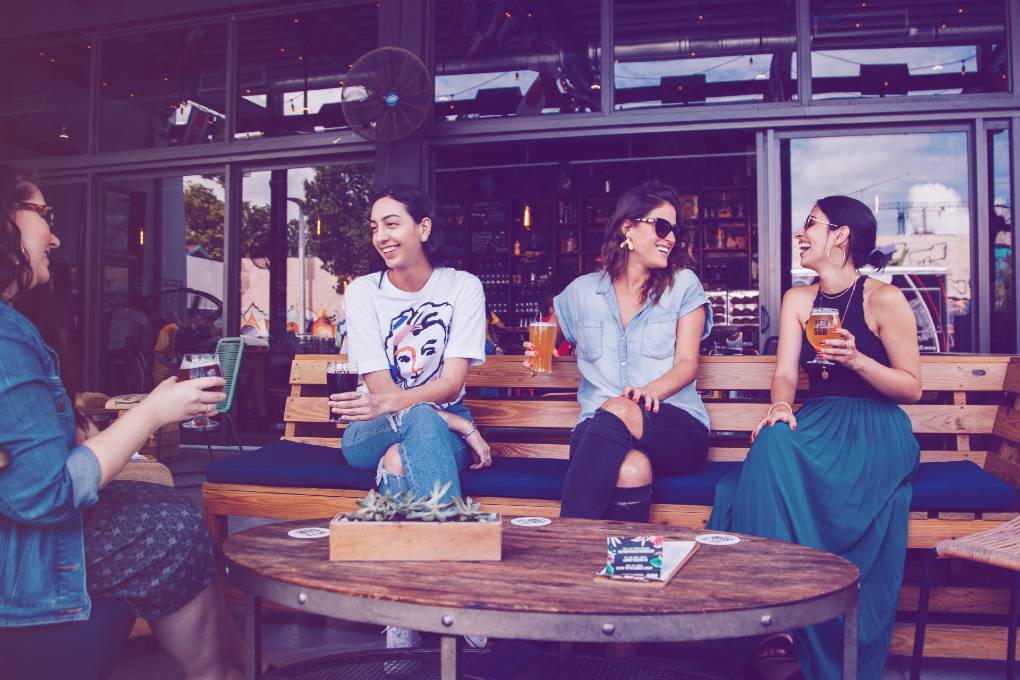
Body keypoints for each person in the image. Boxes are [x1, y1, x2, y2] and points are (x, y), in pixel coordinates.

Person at [0, 167, 244, 680]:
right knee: (170, 526)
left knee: (158, 502)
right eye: (44, 216)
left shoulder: (15, 325)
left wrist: (78, 429)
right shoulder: (6, 337)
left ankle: (234, 664)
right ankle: (219, 672)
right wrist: (152, 411)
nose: (56, 235)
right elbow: (44, 494)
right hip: (15, 554)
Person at [707, 196, 921, 680]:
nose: (801, 234)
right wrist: (780, 405)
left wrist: (858, 361)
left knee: (749, 477)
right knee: (770, 442)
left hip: (875, 427)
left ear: (841, 235)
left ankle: (800, 620)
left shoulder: (883, 299)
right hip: (819, 419)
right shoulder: (798, 300)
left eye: (811, 224)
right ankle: (774, 621)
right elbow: (784, 374)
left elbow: (912, 386)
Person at [329, 184, 491, 649]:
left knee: (403, 459)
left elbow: (451, 383)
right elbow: (379, 391)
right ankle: (458, 589)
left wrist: (443, 413)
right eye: (375, 227)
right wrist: (458, 423)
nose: (381, 235)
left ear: (423, 228)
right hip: (368, 431)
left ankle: (401, 601)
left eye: (392, 223)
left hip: (425, 427)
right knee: (419, 421)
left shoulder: (461, 287)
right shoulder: (363, 292)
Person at [543, 180, 712, 523]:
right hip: (597, 429)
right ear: (628, 227)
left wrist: (647, 393)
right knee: (631, 470)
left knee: (620, 408)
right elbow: (547, 337)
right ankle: (623, 570)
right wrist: (541, 352)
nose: (671, 239)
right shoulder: (580, 293)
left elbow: (687, 364)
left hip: (674, 426)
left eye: (675, 231)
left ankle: (566, 538)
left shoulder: (683, 285)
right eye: (662, 227)